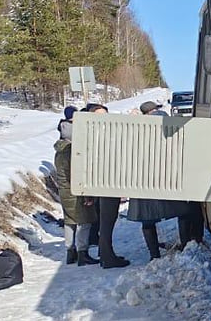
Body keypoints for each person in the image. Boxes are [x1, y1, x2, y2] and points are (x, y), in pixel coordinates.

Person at [126, 100, 191, 260]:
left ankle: (154, 254)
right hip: (169, 177)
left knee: (147, 221)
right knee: (183, 212)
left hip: (144, 179)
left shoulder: (138, 129)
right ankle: (185, 244)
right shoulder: (172, 124)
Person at [82, 103, 131, 268]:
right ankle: (107, 258)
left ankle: (106, 255)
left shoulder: (105, 134)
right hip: (104, 183)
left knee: (108, 220)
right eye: (99, 115)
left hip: (109, 182)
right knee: (106, 222)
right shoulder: (93, 137)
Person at [53, 115, 98, 266]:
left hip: (64, 190)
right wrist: (86, 193)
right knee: (84, 222)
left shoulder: (59, 149)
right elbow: (76, 173)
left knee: (69, 221)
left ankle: (70, 252)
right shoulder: (71, 150)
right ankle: (82, 253)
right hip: (75, 190)